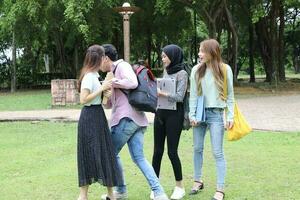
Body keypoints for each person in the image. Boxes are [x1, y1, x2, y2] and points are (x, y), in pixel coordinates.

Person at [100, 44, 169, 200]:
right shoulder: (112, 74)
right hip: (136, 120)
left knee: (110, 153)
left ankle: (121, 190)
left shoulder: (121, 66)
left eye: (99, 60)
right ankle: (159, 193)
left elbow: (133, 83)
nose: (98, 64)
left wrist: (113, 82)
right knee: (139, 158)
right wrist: (106, 93)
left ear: (106, 58)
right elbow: (111, 103)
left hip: (126, 119)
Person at [188, 39, 234, 200]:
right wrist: (191, 115)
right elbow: (193, 94)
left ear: (212, 53)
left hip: (216, 114)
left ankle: (220, 189)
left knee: (217, 152)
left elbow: (230, 96)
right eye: (199, 50)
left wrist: (230, 116)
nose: (199, 54)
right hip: (200, 114)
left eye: (202, 51)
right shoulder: (196, 70)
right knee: (197, 149)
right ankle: (197, 180)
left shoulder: (225, 69)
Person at [77, 45, 122, 200]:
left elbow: (99, 100)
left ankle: (111, 195)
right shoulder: (89, 76)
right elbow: (83, 99)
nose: (105, 60)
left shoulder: (96, 75)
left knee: (105, 153)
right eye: (104, 57)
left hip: (98, 116)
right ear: (100, 58)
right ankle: (83, 196)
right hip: (89, 117)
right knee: (89, 154)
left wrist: (106, 94)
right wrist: (101, 88)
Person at [151, 44, 188, 200]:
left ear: (173, 56)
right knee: (157, 151)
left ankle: (180, 187)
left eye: (165, 56)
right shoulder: (166, 70)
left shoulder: (182, 74)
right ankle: (155, 187)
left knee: (172, 152)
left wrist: (162, 93)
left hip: (175, 115)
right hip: (160, 113)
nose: (162, 58)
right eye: (162, 56)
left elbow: (180, 97)